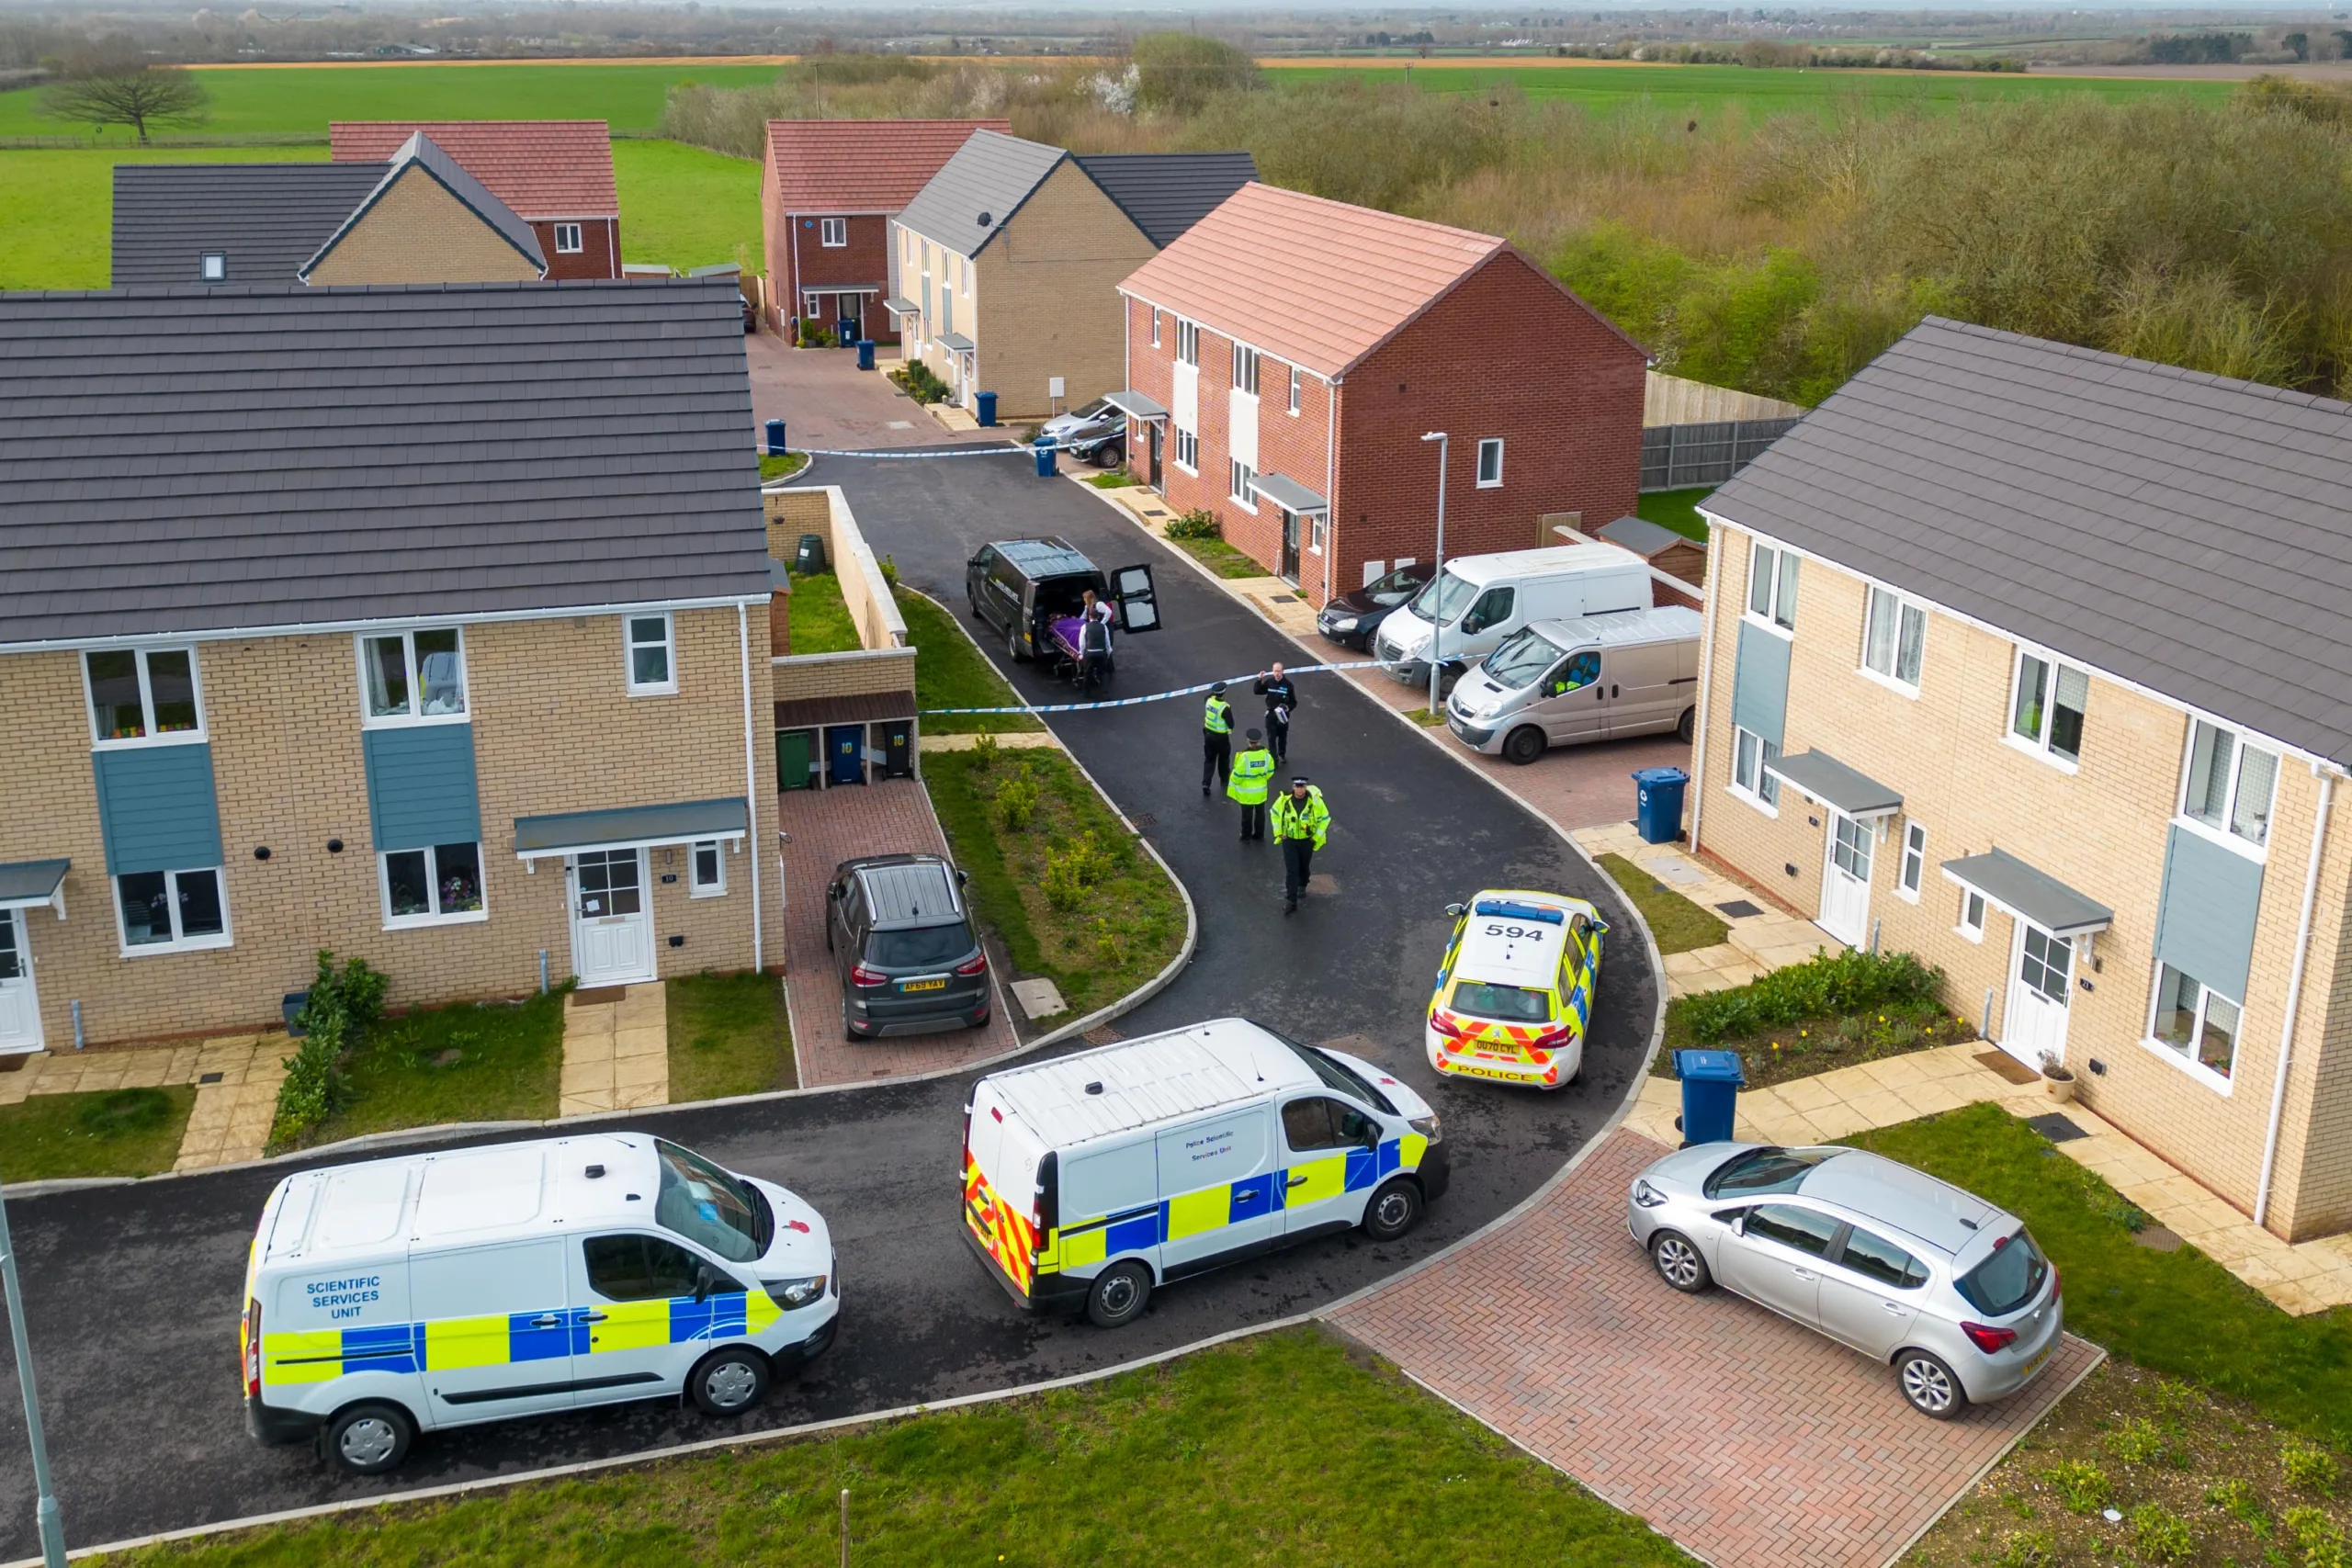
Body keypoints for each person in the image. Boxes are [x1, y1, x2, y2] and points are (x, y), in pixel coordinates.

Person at [1271, 775, 1329, 915]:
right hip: (1289, 840)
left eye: (1302, 787)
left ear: (1306, 787)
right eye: (1297, 787)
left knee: (1303, 866)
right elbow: (1274, 813)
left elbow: (1325, 818)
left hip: (1306, 840)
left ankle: (1303, 884)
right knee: (1292, 870)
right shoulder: (1284, 800)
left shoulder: (1315, 802)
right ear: (1293, 787)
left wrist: (1315, 837)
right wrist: (1279, 832)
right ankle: (1291, 900)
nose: (1300, 790)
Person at [1228, 728, 1275, 841]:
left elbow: (1237, 775)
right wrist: (1260, 779)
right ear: (1259, 742)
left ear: (1248, 741)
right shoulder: (1266, 755)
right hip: (1261, 791)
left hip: (1246, 793)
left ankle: (1246, 835)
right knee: (1260, 814)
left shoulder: (1244, 757)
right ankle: (1259, 834)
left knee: (1247, 815)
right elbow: (1270, 772)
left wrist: (1238, 783)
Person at [1255, 662, 1298, 765]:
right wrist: (1259, 679)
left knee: (1282, 737)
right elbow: (1257, 691)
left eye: (1279, 671)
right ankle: (1273, 758)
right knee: (1271, 737)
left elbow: (1293, 702)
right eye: (1275, 671)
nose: (1277, 673)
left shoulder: (1288, 685)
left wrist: (1288, 708)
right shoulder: (1269, 682)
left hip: (1282, 716)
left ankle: (1281, 755)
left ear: (1282, 671)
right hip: (1271, 714)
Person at [1077, 588, 1114, 693]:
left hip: (1101, 628)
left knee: (1088, 671)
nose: (1084, 600)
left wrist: (1102, 622)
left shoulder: (1099, 605)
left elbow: (1108, 612)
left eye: (1085, 598)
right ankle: (1104, 689)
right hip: (1098, 629)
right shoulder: (1087, 607)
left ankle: (1087, 691)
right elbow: (1083, 616)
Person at [1201, 681, 1234, 795]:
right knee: (1224, 760)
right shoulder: (1225, 707)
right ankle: (1224, 781)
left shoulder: (1208, 701)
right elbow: (1231, 724)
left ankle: (1206, 783)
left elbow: (1208, 696)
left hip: (1208, 735)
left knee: (1209, 760)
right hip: (1221, 738)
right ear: (1224, 693)